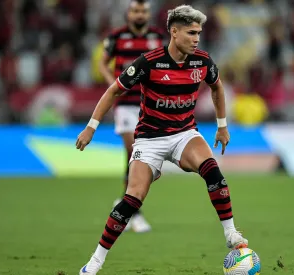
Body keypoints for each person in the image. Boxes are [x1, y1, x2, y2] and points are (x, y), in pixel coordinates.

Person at [76, 5, 248, 274]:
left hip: (184, 134)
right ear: (174, 32)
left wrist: (222, 126)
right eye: (191, 33)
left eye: (199, 33)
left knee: (213, 172)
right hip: (148, 139)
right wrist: (91, 127)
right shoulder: (149, 62)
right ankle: (96, 260)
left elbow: (217, 87)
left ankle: (230, 233)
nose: (197, 38)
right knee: (132, 199)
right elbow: (113, 92)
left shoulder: (202, 61)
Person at [99, 0, 165, 233]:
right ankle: (135, 212)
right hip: (126, 105)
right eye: (136, 11)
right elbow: (103, 64)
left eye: (143, 11)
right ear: (129, 13)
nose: (139, 14)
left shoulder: (159, 37)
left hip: (150, 104)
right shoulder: (116, 37)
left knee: (141, 157)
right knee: (133, 150)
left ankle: (124, 203)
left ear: (148, 14)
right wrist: (114, 85)